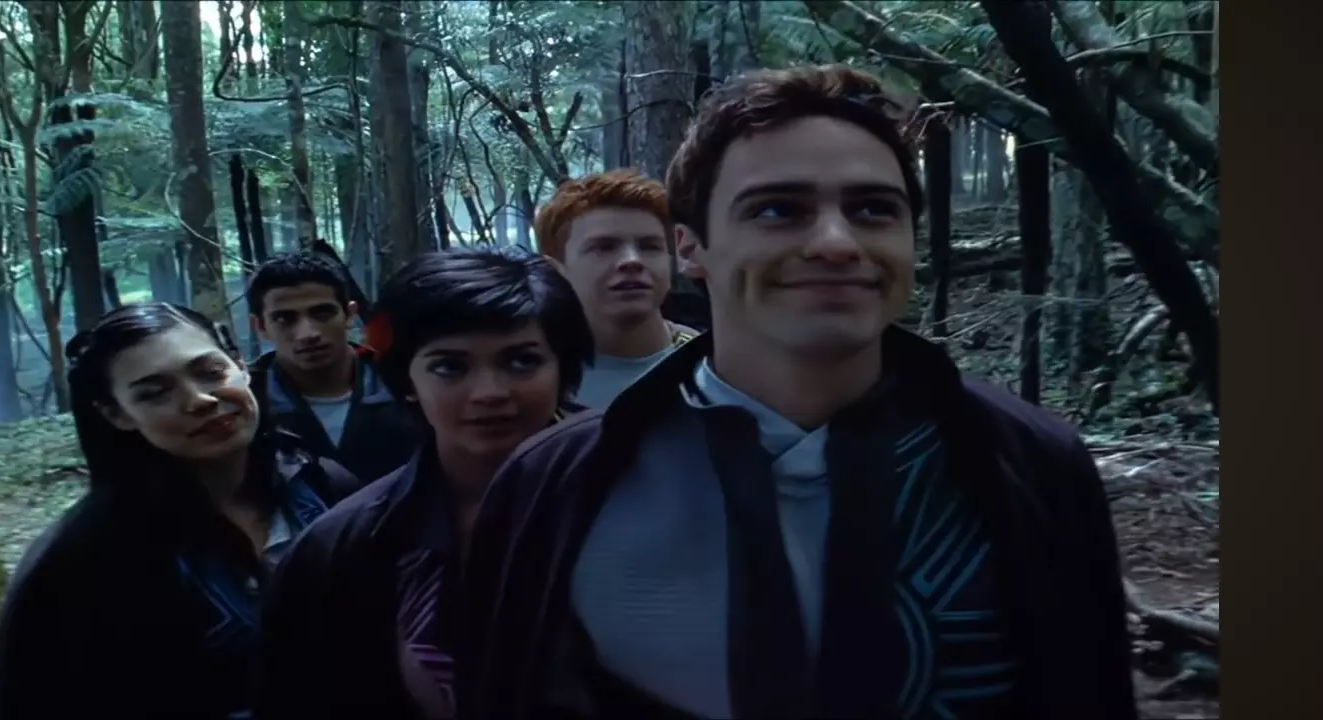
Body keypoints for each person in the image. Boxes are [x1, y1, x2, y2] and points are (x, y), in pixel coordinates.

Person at [459, 65, 1138, 720]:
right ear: (691, 249)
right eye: (778, 209)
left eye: (873, 209)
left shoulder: (1026, 462)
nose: (837, 242)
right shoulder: (560, 484)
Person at [256, 249, 594, 720]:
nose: (489, 392)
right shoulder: (340, 550)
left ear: (562, 367)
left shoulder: (640, 496)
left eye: (521, 361)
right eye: (450, 367)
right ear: (407, 380)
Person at [0, 303, 359, 720]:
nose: (199, 400)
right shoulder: (84, 557)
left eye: (210, 372)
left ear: (239, 364)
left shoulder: (325, 487)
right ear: (116, 413)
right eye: (154, 393)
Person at [246, 252, 421, 490]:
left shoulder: (405, 381)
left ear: (350, 315)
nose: (308, 334)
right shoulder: (249, 402)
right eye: (284, 319)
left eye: (322, 313)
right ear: (260, 326)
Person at [535, 169, 699, 408]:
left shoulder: (713, 365)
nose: (632, 260)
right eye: (604, 247)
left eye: (649, 246)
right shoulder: (532, 380)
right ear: (556, 271)